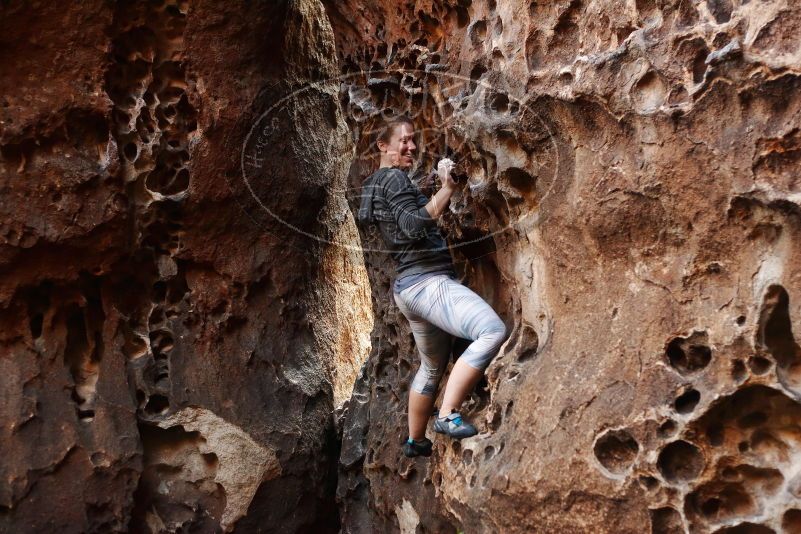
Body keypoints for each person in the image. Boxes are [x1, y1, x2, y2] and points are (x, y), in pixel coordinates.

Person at [358, 116, 509, 458]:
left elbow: (399, 218)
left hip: (408, 292)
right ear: (383, 146)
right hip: (428, 284)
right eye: (404, 140)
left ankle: (416, 441)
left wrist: (429, 184)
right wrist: (447, 189)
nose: (411, 146)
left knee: (431, 367)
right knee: (490, 330)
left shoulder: (373, 185)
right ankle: (447, 415)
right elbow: (411, 226)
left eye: (413, 140)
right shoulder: (393, 178)